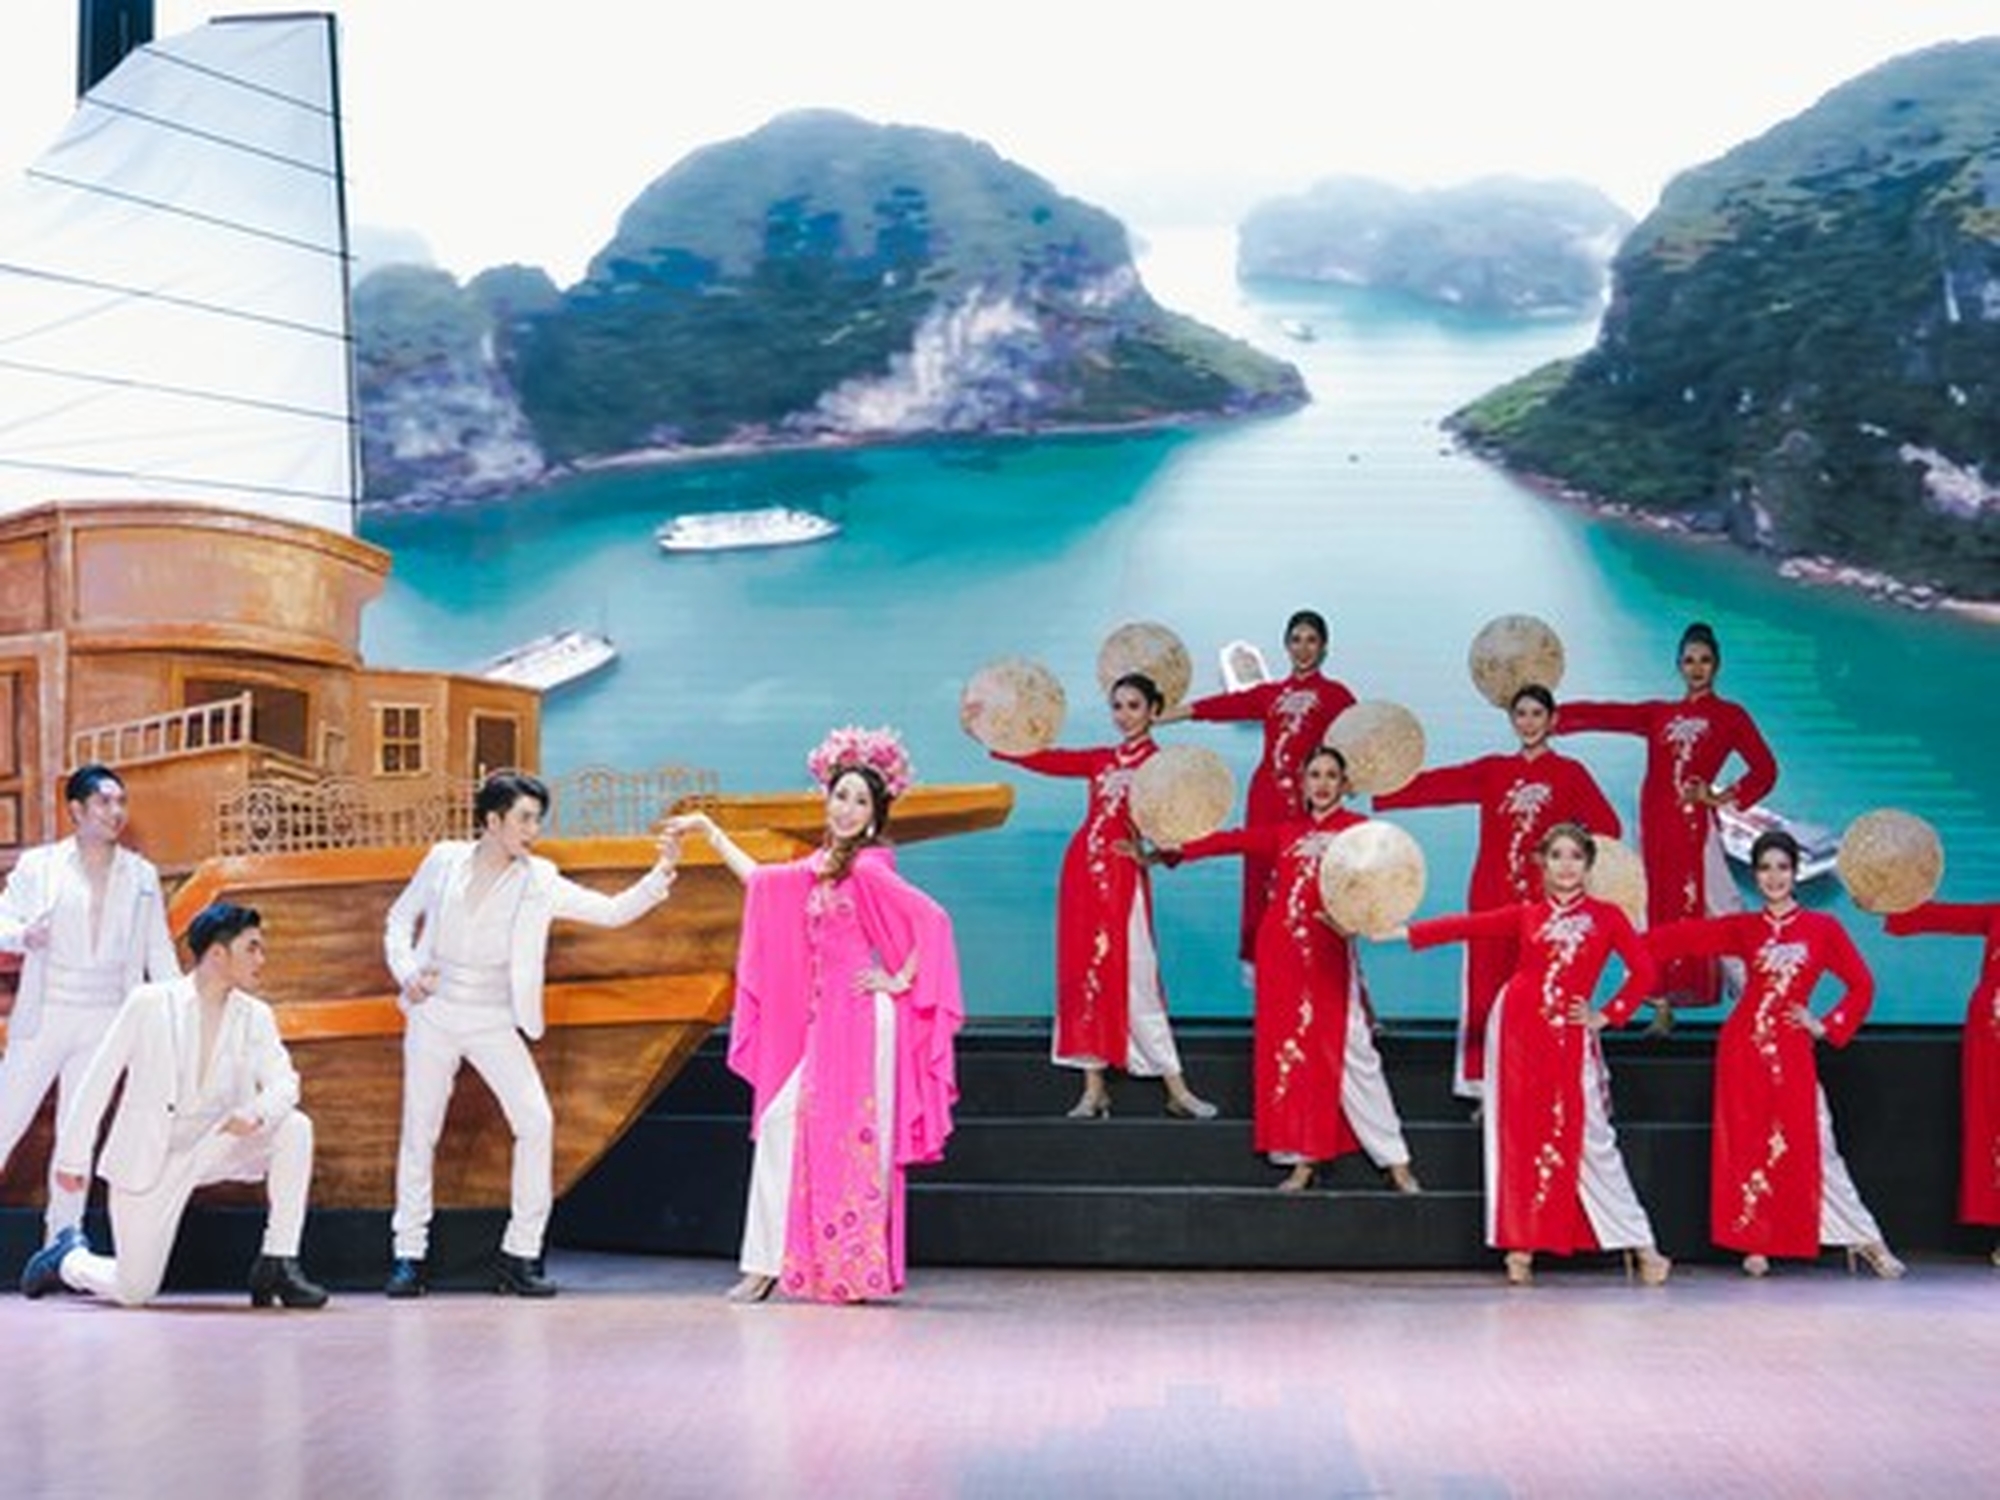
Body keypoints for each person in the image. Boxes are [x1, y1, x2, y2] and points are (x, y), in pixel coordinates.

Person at [669, 726, 963, 1304]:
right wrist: (709, 832)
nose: (847, 808)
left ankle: (848, 1269)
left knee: (854, 1142)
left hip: (861, 1022)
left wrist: (899, 979)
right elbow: (758, 882)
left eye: (861, 801)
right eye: (841, 795)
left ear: (874, 816)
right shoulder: (823, 864)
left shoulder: (870, 868)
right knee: (783, 1126)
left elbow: (933, 920)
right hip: (826, 1021)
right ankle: (766, 1266)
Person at [381, 770, 677, 1298]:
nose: (533, 830)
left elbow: (611, 912)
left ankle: (520, 1255)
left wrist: (661, 874)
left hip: (494, 1018)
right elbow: (399, 921)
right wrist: (407, 973)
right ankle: (409, 1255)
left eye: (537, 820)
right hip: (434, 1011)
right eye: (524, 818)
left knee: (536, 1122)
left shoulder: (540, 878)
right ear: (492, 820)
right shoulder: (444, 860)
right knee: (419, 1132)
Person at [18, 903, 326, 1309]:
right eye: (252, 948)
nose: (261, 960)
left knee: (294, 1127)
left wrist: (256, 1112)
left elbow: (285, 1083)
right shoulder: (149, 1003)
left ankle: (278, 1262)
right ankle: (68, 1259)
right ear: (218, 954)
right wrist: (73, 1160)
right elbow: (97, 1081)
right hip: (150, 1159)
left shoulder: (256, 1016)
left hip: (216, 1144)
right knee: (134, 1290)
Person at [1403, 823, 1672, 1286]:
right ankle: (1520, 1245)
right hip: (1517, 1032)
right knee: (1521, 1135)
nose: (1565, 866)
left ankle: (1643, 1244)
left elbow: (1644, 972)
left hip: (1570, 1037)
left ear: (1588, 865)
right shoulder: (1528, 914)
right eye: (1556, 856)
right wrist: (1399, 932)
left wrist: (1608, 1015)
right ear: (1542, 865)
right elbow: (1466, 926)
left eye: (1575, 857)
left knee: (1592, 1138)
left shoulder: (1607, 917)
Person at [1155, 745, 1419, 1193]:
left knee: (1355, 1050)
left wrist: (1359, 923)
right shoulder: (1286, 831)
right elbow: (1233, 841)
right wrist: (1174, 850)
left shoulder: (1360, 832)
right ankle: (1303, 1159)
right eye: (1314, 775)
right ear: (1302, 783)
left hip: (1328, 953)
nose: (1322, 784)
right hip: (1280, 954)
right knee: (1292, 1054)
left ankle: (1396, 1160)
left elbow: (1390, 884)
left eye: (1331, 775)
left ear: (1344, 783)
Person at [1648, 829, 1904, 1278]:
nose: (1773, 877)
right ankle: (1756, 1241)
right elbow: (1683, 938)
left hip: (1791, 1050)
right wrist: (1615, 937)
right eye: (1764, 868)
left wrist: (1825, 1025)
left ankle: (1867, 1240)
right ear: (1755, 875)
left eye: (1782, 867)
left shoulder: (1822, 929)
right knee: (1747, 1144)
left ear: (1795, 872)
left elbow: (1862, 985)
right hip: (1743, 1050)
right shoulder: (1745, 927)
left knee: (1816, 1144)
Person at [1375, 685, 1622, 1104]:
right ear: (1511, 720)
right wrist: (1377, 787)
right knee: (1487, 990)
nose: (1528, 722)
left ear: (1553, 720)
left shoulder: (1571, 773)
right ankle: (1487, 1089)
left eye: (1537, 714)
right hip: (1491, 896)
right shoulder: (1493, 770)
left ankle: (1549, 1083)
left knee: (1546, 990)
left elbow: (1607, 828)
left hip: (1546, 906)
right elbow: (1437, 785)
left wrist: (1565, 854)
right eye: (1520, 714)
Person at [989, 672, 1217, 1121]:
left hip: (1122, 878)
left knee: (1138, 977)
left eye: (1134, 706)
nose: (1124, 715)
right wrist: (995, 738)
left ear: (1154, 710)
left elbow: (1183, 824)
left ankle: (1177, 1089)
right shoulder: (1101, 759)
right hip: (1081, 875)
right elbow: (1047, 759)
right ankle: (1093, 1090)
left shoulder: (1163, 767)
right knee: (1085, 975)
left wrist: (1153, 856)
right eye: (1117, 706)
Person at [1555, 621, 1777, 1030]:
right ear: (1678, 665)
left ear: (1717, 666)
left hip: (1695, 826)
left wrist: (1719, 797)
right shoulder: (1659, 713)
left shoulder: (1730, 716)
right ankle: (1660, 1004)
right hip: (1654, 825)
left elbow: (1765, 770)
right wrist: (1551, 717)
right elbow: (1607, 714)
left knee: (1722, 905)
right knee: (1648, 907)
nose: (1697, 668)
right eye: (1689, 660)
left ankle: (1760, 1007)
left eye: (1704, 660)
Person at [0, 764, 181, 1248]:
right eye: (104, 801)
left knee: (78, 1135)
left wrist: (181, 1014)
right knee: (5, 1118)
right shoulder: (39, 867)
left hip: (106, 1019)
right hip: (46, 1014)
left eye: (121, 802)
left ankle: (62, 1240)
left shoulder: (141, 876)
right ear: (76, 810)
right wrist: (23, 936)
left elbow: (159, 953)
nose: (115, 811)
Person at [1161, 609, 1356, 964]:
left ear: (1324, 647)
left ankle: (1314, 962)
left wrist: (1351, 783)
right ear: (1286, 645)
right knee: (1260, 876)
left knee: (1306, 875)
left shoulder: (1337, 695)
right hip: (1265, 796)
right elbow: (1219, 706)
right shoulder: (1270, 694)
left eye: (1311, 640)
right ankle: (1263, 962)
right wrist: (1159, 716)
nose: (1303, 648)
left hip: (1307, 802)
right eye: (1296, 640)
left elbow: (1356, 745)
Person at [1884, 894, 2000, 1265]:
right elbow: (1943, 915)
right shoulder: (1996, 913)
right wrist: (1891, 901)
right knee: (1994, 1124)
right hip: (1993, 1034)